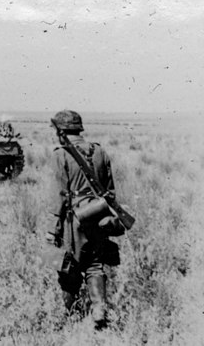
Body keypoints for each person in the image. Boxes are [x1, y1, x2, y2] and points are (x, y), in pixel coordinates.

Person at [46, 110, 125, 329]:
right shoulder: (100, 152)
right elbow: (110, 191)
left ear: (61, 132)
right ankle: (99, 311)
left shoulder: (60, 155)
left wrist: (53, 229)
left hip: (73, 221)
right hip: (99, 217)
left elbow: (58, 195)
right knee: (95, 264)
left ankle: (71, 315)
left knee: (67, 265)